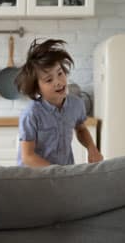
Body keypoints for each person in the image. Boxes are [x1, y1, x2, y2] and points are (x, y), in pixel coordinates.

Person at [15, 38, 102, 167]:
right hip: (33, 178)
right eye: (49, 80)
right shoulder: (31, 114)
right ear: (37, 88)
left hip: (63, 173)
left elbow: (81, 129)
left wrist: (92, 148)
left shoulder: (76, 104)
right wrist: (55, 171)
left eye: (60, 73)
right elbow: (28, 157)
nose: (58, 82)